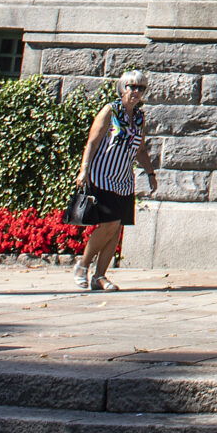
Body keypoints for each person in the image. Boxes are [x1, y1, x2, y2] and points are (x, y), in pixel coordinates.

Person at [72, 71, 156, 291]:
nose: (136, 92)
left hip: (123, 180)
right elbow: (92, 142)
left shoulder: (139, 117)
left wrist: (150, 174)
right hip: (102, 175)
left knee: (116, 228)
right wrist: (84, 170)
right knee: (109, 223)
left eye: (141, 88)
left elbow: (140, 149)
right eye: (132, 86)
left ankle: (99, 276)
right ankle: (82, 265)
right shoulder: (110, 110)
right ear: (122, 88)